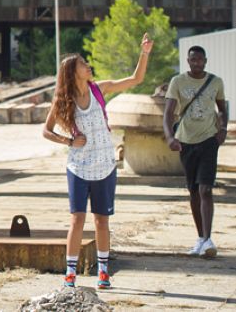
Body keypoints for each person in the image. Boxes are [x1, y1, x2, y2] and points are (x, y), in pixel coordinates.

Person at [42, 33, 153, 290]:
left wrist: (144, 52)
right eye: (83, 63)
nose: (88, 66)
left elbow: (136, 79)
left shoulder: (99, 89)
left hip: (105, 165)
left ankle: (103, 271)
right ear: (72, 72)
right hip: (78, 167)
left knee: (102, 220)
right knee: (77, 219)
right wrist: (68, 142)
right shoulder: (62, 101)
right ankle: (70, 273)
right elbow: (46, 131)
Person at [163, 45, 227, 258]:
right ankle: (201, 238)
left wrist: (223, 130)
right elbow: (168, 113)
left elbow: (222, 108)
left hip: (209, 140)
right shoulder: (177, 82)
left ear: (205, 61)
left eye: (200, 60)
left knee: (206, 190)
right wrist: (170, 138)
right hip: (186, 142)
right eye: (193, 60)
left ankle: (208, 240)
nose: (197, 63)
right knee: (193, 191)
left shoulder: (215, 81)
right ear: (188, 61)